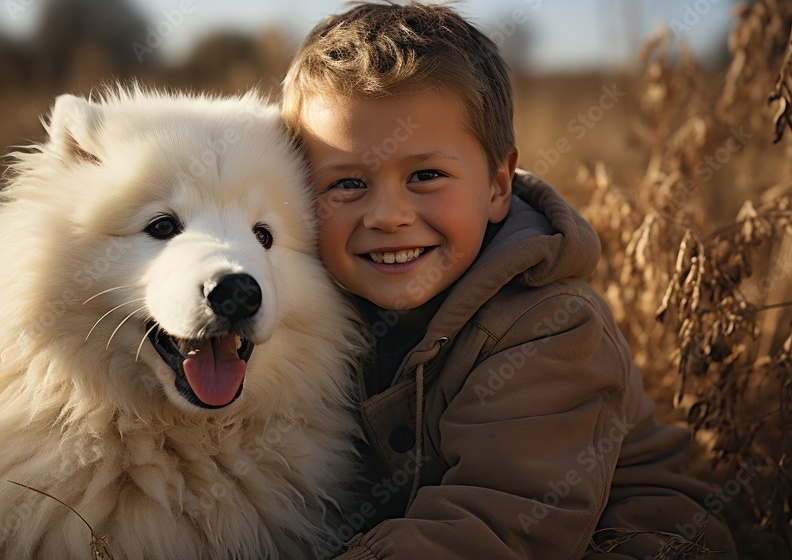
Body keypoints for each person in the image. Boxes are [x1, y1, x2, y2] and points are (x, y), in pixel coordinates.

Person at [279, 3, 739, 559]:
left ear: (498, 185)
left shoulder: (550, 328)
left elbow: (498, 523)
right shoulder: (316, 305)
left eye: (425, 176)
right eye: (347, 183)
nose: (388, 215)